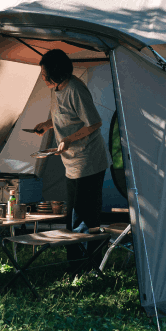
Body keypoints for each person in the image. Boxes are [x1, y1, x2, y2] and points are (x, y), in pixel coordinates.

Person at [32, 49, 110, 270]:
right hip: (71, 163)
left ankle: (87, 265)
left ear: (56, 72)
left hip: (89, 161)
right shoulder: (56, 88)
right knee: (73, 214)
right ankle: (75, 262)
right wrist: (47, 125)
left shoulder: (75, 89)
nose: (42, 77)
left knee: (84, 216)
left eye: (45, 73)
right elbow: (63, 114)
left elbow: (94, 123)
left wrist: (67, 139)